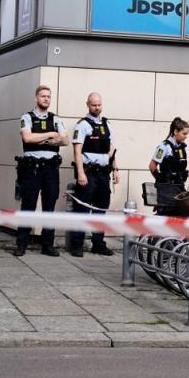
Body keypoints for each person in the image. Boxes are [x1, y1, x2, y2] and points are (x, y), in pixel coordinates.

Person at [14, 85, 68, 257]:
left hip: (51, 169)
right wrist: (51, 135)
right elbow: (27, 137)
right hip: (32, 169)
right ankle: (21, 244)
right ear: (36, 98)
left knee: (49, 207)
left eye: (49, 97)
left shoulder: (56, 118)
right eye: (43, 96)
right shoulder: (27, 117)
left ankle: (47, 245)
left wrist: (45, 140)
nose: (46, 99)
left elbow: (65, 139)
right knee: (28, 206)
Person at [68, 92, 120, 257]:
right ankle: (77, 245)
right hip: (88, 173)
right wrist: (81, 173)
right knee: (82, 209)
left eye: (99, 105)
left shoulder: (107, 124)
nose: (97, 108)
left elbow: (111, 150)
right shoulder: (82, 125)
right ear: (87, 104)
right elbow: (77, 151)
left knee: (100, 209)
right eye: (93, 105)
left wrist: (116, 169)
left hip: (103, 174)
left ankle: (98, 244)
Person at [149, 117, 189, 215]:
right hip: (166, 191)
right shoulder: (164, 147)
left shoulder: (181, 148)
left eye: (187, 134)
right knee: (165, 217)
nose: (186, 136)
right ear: (175, 132)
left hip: (179, 188)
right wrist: (162, 180)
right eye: (184, 133)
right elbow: (152, 166)